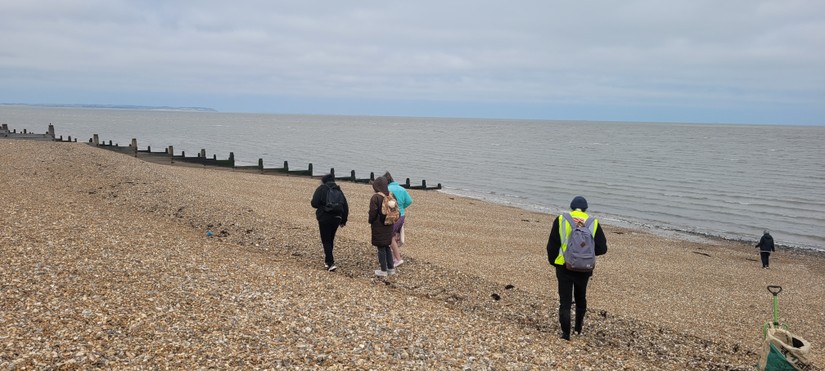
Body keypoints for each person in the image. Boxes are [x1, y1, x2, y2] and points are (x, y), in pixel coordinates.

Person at [546, 196, 608, 340]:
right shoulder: (593, 222)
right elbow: (602, 248)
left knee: (565, 301)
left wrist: (554, 262)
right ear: (586, 208)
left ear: (571, 207)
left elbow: (552, 245)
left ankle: (565, 334)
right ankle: (578, 329)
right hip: (584, 268)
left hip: (563, 266)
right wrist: (586, 254)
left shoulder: (561, 220)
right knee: (581, 298)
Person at [310, 173, 349, 272]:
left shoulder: (321, 189)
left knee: (326, 240)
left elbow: (314, 203)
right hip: (337, 217)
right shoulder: (338, 190)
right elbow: (345, 206)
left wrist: (322, 206)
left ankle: (331, 263)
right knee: (330, 239)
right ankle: (327, 261)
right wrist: (343, 220)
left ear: (324, 180)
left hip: (324, 217)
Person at [384, 171, 413, 267]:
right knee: (396, 236)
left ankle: (398, 259)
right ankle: (393, 257)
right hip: (402, 215)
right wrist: (401, 207)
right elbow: (409, 201)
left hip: (393, 215)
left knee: (390, 236)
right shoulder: (402, 189)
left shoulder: (387, 189)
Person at [369, 176, 395, 277]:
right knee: (387, 246)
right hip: (389, 223)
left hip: (379, 225)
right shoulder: (391, 196)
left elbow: (373, 212)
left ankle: (383, 270)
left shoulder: (376, 197)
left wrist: (371, 221)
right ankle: (391, 268)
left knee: (381, 247)